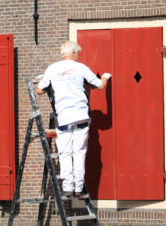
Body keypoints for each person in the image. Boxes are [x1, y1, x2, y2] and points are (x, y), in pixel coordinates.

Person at [36, 41, 111, 199]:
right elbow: (100, 86)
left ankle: (67, 188)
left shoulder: (52, 69)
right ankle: (79, 189)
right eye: (78, 54)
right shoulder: (81, 67)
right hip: (80, 116)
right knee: (79, 153)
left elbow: (39, 91)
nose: (79, 57)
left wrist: (48, 81)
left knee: (64, 153)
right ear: (74, 53)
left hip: (63, 117)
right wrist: (105, 76)